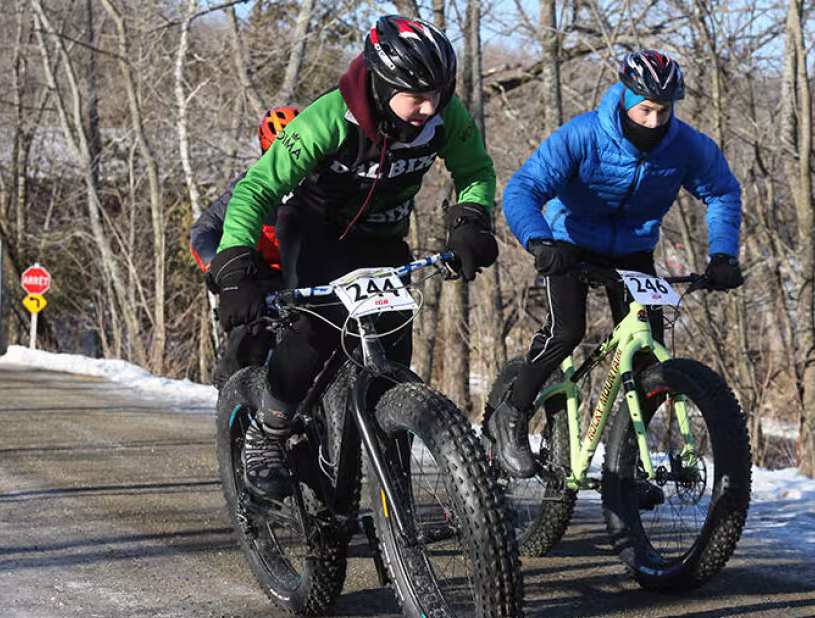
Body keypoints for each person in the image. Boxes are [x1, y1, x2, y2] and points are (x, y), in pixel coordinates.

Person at [207, 15, 499, 499]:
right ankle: (269, 433)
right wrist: (235, 263)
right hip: (316, 232)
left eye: (440, 93)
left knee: (393, 364)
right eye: (418, 96)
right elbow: (257, 187)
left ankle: (392, 499)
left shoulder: (445, 114)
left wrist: (470, 221)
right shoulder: (328, 118)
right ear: (383, 84)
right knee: (314, 334)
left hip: (383, 240)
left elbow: (475, 170)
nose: (431, 107)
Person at [489, 49, 744, 479]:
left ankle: (627, 464)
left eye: (664, 111)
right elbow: (524, 187)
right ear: (625, 97)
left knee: (648, 353)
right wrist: (540, 240)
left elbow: (722, 191)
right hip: (569, 241)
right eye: (645, 109)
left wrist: (723, 254)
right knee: (567, 331)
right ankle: (511, 413)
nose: (654, 120)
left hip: (632, 249)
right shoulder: (583, 135)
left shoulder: (686, 146)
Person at [192, 106, 301, 389]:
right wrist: (221, 268)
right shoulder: (248, 186)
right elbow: (204, 231)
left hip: (307, 274)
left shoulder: (326, 185)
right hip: (259, 276)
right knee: (250, 333)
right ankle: (232, 399)